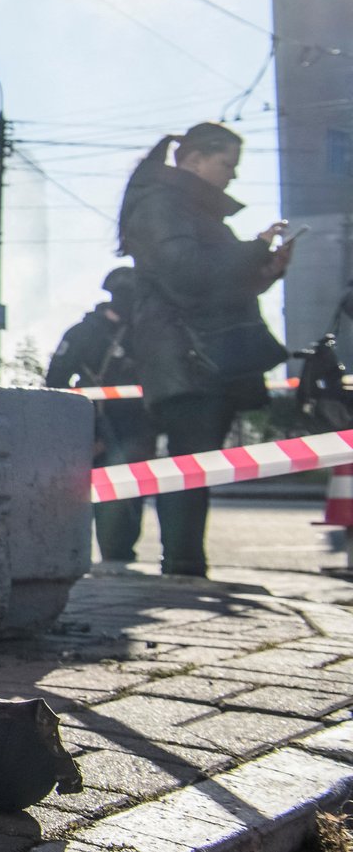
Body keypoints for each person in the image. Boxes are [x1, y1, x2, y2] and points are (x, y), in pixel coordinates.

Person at [117, 122, 294, 577]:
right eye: (226, 164)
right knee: (190, 462)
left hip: (197, 355)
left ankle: (185, 563)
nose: (231, 176)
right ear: (193, 160)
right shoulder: (163, 204)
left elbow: (209, 283)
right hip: (186, 355)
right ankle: (183, 566)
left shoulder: (188, 208)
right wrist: (253, 249)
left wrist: (266, 271)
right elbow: (186, 273)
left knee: (196, 463)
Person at [46, 267, 156, 571]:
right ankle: (109, 557)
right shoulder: (84, 332)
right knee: (96, 493)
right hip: (96, 425)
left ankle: (119, 556)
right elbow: (55, 381)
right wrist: (79, 430)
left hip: (138, 426)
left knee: (131, 494)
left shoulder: (145, 331)